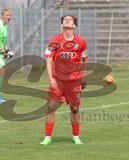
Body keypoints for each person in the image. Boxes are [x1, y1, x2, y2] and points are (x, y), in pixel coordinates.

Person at [40, 15, 88, 145]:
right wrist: (50, 78)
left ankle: (76, 136)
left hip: (74, 81)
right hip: (58, 80)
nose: (67, 20)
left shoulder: (81, 42)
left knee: (75, 109)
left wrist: (83, 76)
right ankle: (47, 137)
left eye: (70, 19)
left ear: (74, 25)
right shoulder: (55, 41)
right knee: (51, 107)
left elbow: (85, 59)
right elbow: (49, 59)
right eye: (65, 19)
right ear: (62, 24)